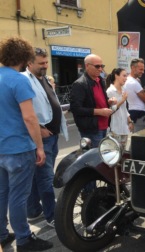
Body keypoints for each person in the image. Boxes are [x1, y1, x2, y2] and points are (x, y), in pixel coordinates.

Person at [0, 36, 53, 251]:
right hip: (19, 148)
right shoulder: (19, 80)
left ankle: (3, 234)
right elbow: (30, 118)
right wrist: (39, 147)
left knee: (2, 193)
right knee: (18, 196)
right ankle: (24, 238)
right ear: (24, 57)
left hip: (1, 147)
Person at [22, 47, 68, 229]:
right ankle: (52, 215)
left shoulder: (44, 79)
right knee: (45, 178)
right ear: (29, 63)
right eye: (41, 63)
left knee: (36, 176)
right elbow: (23, 110)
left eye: (46, 62)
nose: (45, 66)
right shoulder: (25, 80)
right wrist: (39, 128)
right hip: (42, 137)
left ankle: (33, 210)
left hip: (52, 135)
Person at [70, 54, 117, 147]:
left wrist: (109, 101)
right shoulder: (80, 84)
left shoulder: (100, 80)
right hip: (92, 129)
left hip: (104, 126)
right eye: (97, 66)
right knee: (94, 158)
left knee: (102, 157)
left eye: (102, 66)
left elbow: (100, 100)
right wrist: (99, 112)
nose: (100, 69)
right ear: (87, 66)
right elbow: (76, 109)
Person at [106, 68, 133, 146]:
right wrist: (122, 100)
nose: (126, 78)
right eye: (124, 75)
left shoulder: (124, 90)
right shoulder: (110, 91)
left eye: (126, 76)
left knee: (123, 153)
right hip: (114, 128)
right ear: (116, 76)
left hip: (124, 128)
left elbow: (124, 109)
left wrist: (130, 121)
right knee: (115, 152)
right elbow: (111, 110)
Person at [124, 58, 145, 132]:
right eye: (140, 69)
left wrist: (144, 94)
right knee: (139, 140)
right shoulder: (134, 83)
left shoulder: (127, 80)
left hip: (131, 112)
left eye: (143, 69)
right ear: (133, 67)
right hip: (139, 115)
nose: (143, 72)